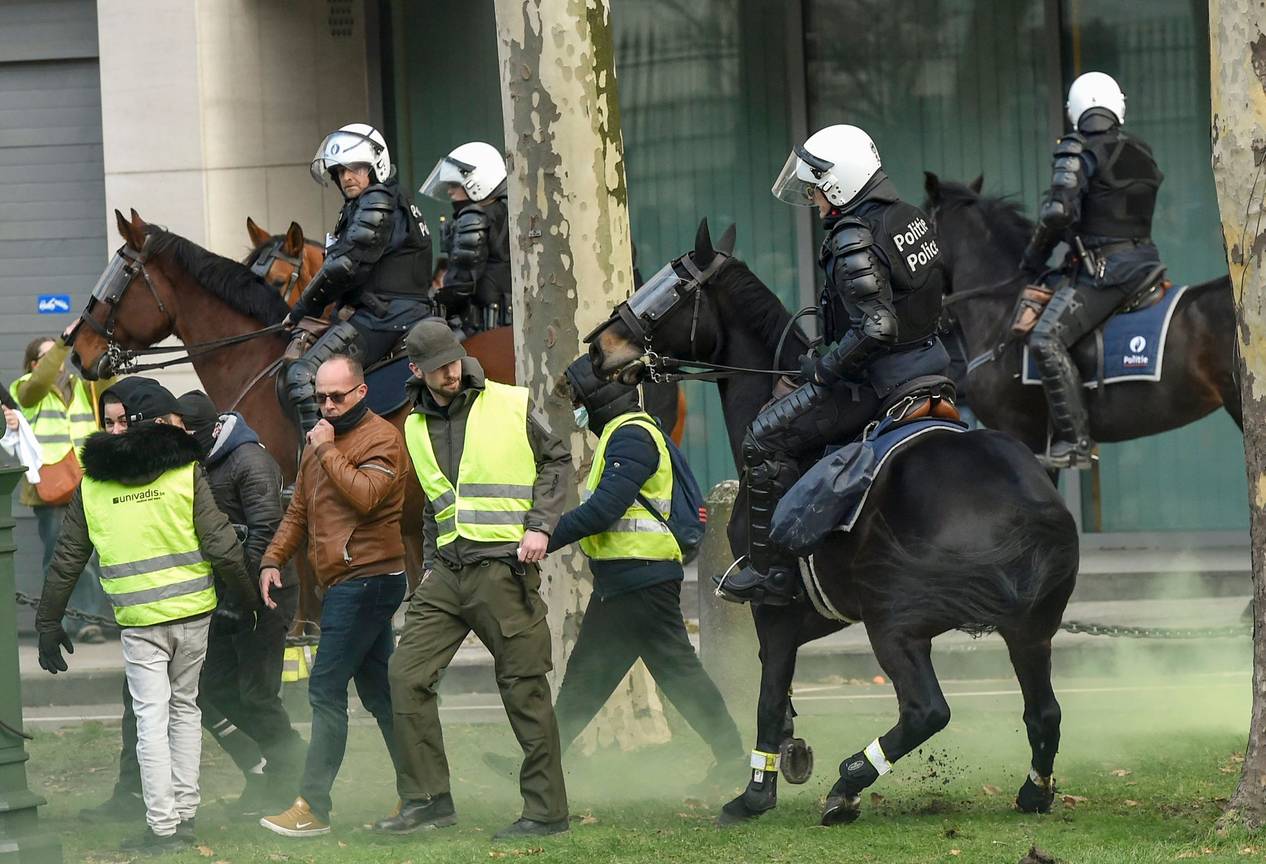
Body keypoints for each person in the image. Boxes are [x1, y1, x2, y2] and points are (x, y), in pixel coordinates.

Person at [718, 124, 949, 605]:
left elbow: (878, 326)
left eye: (819, 190)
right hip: (932, 364)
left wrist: (824, 368)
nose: (817, 202)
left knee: (763, 436)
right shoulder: (909, 217)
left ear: (842, 183)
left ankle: (771, 572)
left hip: (878, 383)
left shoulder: (853, 235)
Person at [35, 377, 257, 853]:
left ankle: (163, 827)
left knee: (151, 719)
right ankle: (186, 817)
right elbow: (222, 544)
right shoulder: (184, 472)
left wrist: (48, 621)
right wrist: (246, 600)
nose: (113, 430)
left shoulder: (93, 486)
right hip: (194, 614)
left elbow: (68, 556)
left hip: (141, 622)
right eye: (107, 421)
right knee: (184, 710)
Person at [373, 319, 570, 840]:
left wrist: (541, 527)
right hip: (446, 575)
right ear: (416, 370)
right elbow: (436, 504)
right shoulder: (413, 425)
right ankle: (428, 799)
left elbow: (556, 460)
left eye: (455, 361)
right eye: (439, 368)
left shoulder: (510, 401)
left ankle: (546, 812)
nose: (451, 372)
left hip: (504, 570)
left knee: (523, 688)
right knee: (406, 676)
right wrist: (432, 566)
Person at [546, 356, 743, 777]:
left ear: (598, 400)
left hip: (641, 580)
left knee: (674, 676)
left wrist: (542, 537)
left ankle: (732, 757)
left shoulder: (631, 437)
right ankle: (539, 766)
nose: (576, 410)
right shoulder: (625, 433)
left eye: (578, 400)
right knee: (589, 680)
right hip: (625, 578)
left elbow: (604, 510)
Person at [258, 355, 408, 838]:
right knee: (381, 694)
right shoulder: (319, 442)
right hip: (345, 581)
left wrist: (325, 451)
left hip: (369, 579)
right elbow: (299, 511)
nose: (325, 406)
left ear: (361, 393)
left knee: (324, 689)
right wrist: (271, 559)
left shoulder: (382, 438)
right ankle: (424, 791)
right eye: (318, 397)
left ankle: (313, 807)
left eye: (336, 396)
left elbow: (365, 496)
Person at [1021, 71, 1164, 469]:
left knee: (1046, 339)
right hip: (1145, 261)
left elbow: (1056, 212)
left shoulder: (1078, 149)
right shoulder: (1142, 149)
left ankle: (1076, 441)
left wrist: (1032, 260)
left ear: (1076, 111)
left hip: (1107, 272)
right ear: (1117, 105)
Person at [282, 123, 434, 437]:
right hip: (384, 311)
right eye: (340, 171)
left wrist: (300, 310)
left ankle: (318, 462)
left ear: (375, 166)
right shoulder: (378, 200)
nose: (347, 176)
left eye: (356, 168)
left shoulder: (377, 199)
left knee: (302, 375)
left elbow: (343, 267)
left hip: (387, 317)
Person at [11, 331, 116, 642]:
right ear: (33, 364)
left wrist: (96, 350)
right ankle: (67, 623)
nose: (57, 360)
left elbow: (112, 392)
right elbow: (39, 384)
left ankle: (86, 620)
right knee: (61, 557)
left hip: (87, 482)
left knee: (91, 557)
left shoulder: (83, 386)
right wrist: (62, 343)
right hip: (51, 488)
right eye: (47, 355)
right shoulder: (26, 389)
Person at [421, 142, 511, 335]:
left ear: (477, 183)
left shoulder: (474, 218)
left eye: (454, 185)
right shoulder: (505, 212)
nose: (449, 191)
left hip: (480, 328)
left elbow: (460, 284)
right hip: (504, 322)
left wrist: (433, 308)